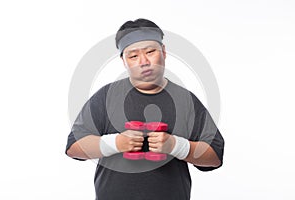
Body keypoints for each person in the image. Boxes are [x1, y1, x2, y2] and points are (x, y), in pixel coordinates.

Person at [66, 18, 224, 200]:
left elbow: (215, 156)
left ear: (163, 52)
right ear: (124, 61)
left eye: (150, 52)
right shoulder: (106, 96)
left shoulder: (185, 100)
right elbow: (73, 147)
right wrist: (116, 143)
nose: (144, 61)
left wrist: (177, 146)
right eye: (133, 56)